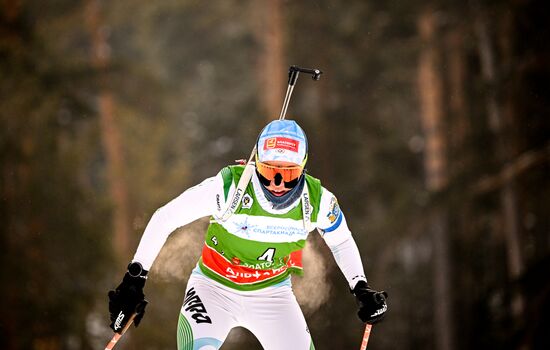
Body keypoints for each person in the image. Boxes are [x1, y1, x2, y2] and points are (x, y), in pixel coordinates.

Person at [108, 120, 388, 350]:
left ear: (303, 168)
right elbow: (165, 218)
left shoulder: (316, 201)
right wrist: (134, 279)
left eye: (289, 174)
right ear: (256, 162)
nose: (277, 184)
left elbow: (340, 240)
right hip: (213, 289)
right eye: (268, 171)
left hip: (272, 296)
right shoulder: (230, 187)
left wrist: (359, 287)